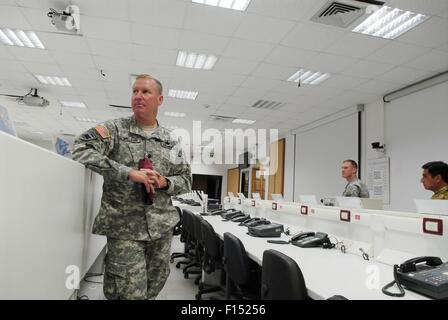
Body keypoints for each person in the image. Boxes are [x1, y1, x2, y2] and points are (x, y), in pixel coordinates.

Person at [72, 74, 192, 300]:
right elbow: (80, 148)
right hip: (124, 226)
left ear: (160, 99)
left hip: (160, 228)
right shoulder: (114, 130)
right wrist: (127, 172)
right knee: (127, 292)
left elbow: (186, 179)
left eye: (145, 92)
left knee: (153, 286)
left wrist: (165, 182)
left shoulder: (171, 141)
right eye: (135, 91)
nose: (138, 96)